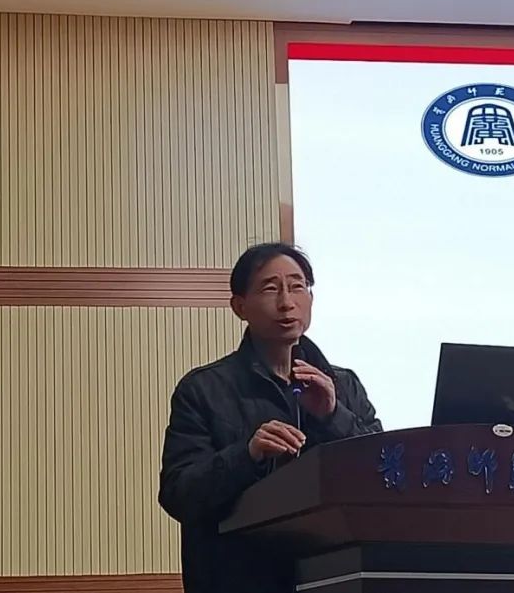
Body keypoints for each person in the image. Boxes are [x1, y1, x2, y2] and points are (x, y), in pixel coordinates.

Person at [158, 241, 383, 593]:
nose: (286, 302)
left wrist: (332, 416)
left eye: (297, 287)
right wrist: (247, 455)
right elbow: (179, 494)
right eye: (270, 288)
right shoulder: (203, 389)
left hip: (334, 578)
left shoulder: (343, 385)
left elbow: (382, 472)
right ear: (239, 306)